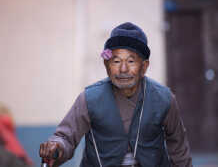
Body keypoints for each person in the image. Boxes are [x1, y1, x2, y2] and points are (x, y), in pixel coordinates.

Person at [39, 22, 193, 167]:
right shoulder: (89, 98)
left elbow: (178, 147)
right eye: (116, 61)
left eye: (131, 61)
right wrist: (56, 147)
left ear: (144, 66)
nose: (123, 69)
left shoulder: (164, 99)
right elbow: (65, 137)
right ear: (107, 65)